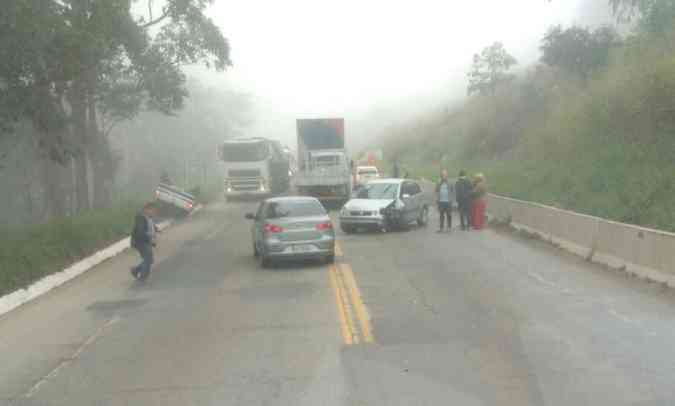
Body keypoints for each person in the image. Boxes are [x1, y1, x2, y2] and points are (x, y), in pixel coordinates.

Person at [131, 203, 159, 281]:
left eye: (154, 210)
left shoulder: (148, 217)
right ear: (146, 209)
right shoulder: (141, 218)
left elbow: (150, 225)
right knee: (148, 258)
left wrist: (156, 229)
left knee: (149, 259)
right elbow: (141, 232)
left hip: (146, 241)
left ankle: (135, 270)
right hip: (140, 242)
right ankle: (143, 277)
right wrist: (149, 237)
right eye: (152, 210)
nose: (154, 212)